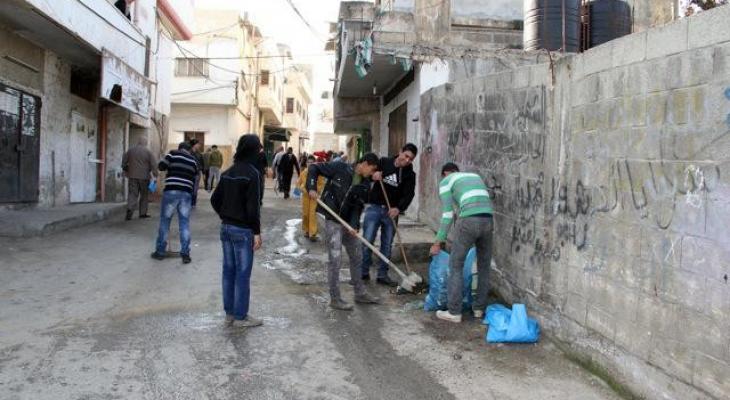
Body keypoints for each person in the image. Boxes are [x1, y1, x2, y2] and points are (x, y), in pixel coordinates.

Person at [307, 154, 381, 310]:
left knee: (357, 255)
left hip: (347, 222)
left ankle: (360, 293)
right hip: (332, 218)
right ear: (365, 164)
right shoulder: (340, 167)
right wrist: (312, 187)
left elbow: (357, 207)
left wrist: (354, 226)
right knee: (335, 258)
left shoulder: (365, 184)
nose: (372, 173)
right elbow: (314, 168)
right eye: (372, 169)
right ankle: (335, 298)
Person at [429, 162, 494, 323]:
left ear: (445, 174)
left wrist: (438, 241)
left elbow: (448, 214)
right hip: (488, 219)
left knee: (455, 264)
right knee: (484, 265)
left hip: (469, 221)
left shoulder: (445, 182)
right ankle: (479, 309)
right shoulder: (474, 176)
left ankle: (454, 311)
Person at [211, 134, 264, 328]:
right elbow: (253, 207)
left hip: (226, 228)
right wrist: (256, 232)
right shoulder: (253, 174)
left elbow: (214, 200)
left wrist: (226, 215)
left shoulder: (228, 172)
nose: (260, 151)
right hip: (243, 231)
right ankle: (241, 317)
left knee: (228, 271)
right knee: (242, 273)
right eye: (258, 148)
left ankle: (230, 314)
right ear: (252, 150)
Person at [359, 143, 418, 286]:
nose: (407, 160)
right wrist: (373, 176)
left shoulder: (410, 175)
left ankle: (382, 275)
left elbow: (409, 194)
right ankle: (363, 272)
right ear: (400, 152)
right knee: (367, 240)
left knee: (387, 244)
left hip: (391, 212)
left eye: (411, 159)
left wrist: (399, 208)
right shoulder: (383, 162)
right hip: (374, 207)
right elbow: (365, 175)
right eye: (406, 156)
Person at [151, 142, 199, 264]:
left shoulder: (172, 154)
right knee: (184, 223)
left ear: (180, 148)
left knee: (165, 221)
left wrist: (164, 159)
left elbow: (161, 166)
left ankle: (160, 252)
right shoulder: (193, 160)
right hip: (186, 194)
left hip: (171, 191)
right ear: (189, 150)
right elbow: (195, 177)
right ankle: (185, 254)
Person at [121, 136, 158, 220]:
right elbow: (154, 165)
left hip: (132, 176)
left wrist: (125, 168)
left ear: (138, 142)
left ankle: (130, 208)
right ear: (145, 143)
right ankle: (142, 213)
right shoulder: (148, 152)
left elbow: (124, 161)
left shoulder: (130, 150)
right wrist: (155, 175)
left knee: (132, 194)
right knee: (144, 195)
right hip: (144, 177)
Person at [298, 155, 324, 241]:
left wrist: (317, 190)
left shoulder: (318, 174)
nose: (310, 164)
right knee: (305, 214)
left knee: (312, 214)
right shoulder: (303, 173)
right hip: (305, 197)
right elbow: (298, 184)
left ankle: (312, 233)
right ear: (306, 163)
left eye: (312, 163)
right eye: (309, 162)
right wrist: (302, 188)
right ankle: (306, 230)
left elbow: (321, 184)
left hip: (314, 197)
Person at [189, 139, 204, 207]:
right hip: (189, 172)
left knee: (195, 188)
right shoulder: (188, 153)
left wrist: (203, 172)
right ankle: (188, 201)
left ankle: (193, 202)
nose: (199, 145)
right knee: (189, 187)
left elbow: (202, 163)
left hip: (197, 173)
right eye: (198, 144)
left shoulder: (199, 153)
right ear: (194, 145)